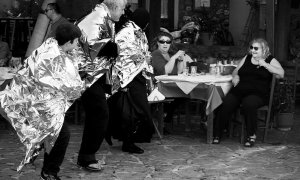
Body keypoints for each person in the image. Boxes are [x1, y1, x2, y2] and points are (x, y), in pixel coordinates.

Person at [0, 23, 83, 180]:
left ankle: (43, 162)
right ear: (69, 42)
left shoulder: (55, 50)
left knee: (54, 134)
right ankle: (49, 172)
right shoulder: (50, 55)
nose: (78, 44)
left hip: (46, 103)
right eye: (77, 41)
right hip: (39, 104)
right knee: (61, 134)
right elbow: (50, 81)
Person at [76, 0, 127, 171]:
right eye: (122, 9)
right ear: (114, 7)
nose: (123, 12)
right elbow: (86, 44)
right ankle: (87, 157)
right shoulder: (96, 18)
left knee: (97, 114)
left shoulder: (103, 17)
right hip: (86, 76)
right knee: (99, 114)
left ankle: (86, 156)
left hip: (92, 76)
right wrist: (108, 48)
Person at [212, 38, 284, 147]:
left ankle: (251, 135)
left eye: (256, 48)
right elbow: (236, 70)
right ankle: (217, 133)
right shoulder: (247, 57)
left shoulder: (270, 60)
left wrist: (265, 64)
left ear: (264, 49)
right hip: (240, 90)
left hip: (258, 94)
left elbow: (281, 74)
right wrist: (235, 76)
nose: (253, 50)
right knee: (226, 103)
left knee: (249, 104)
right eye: (252, 48)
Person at [108, 8, 154, 154]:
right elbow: (125, 54)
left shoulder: (136, 30)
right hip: (128, 77)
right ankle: (128, 142)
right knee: (132, 112)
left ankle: (129, 141)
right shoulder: (128, 32)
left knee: (133, 112)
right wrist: (144, 59)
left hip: (136, 76)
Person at [150, 31, 193, 131]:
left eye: (168, 42)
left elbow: (179, 71)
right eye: (162, 41)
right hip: (159, 87)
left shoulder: (170, 54)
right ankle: (164, 119)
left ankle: (166, 118)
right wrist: (174, 57)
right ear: (157, 43)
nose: (165, 44)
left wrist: (181, 59)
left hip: (171, 85)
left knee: (186, 94)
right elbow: (164, 71)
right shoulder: (156, 54)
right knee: (182, 94)